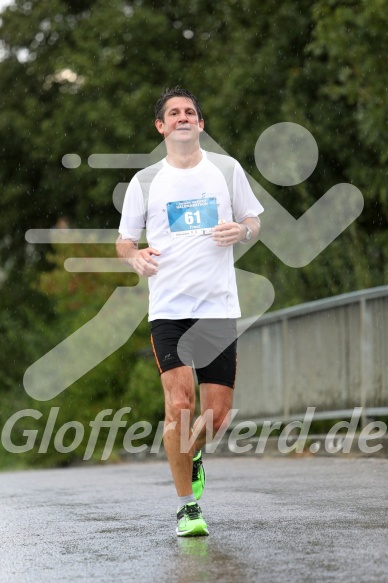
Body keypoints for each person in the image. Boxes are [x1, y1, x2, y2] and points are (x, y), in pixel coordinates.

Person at [116, 87, 263, 537]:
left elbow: (254, 220)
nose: (183, 117)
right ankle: (187, 509)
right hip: (169, 309)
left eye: (191, 112)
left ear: (200, 123)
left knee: (216, 416)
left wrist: (242, 229)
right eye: (174, 113)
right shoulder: (145, 181)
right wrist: (134, 257)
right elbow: (124, 241)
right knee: (179, 406)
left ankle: (192, 453)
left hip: (217, 308)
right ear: (161, 126)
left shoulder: (226, 169)